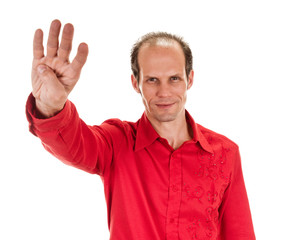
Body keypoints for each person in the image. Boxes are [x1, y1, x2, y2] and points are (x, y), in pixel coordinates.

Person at [26, 19, 256, 240]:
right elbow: (71, 143)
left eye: (174, 78)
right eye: (152, 80)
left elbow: (240, 234)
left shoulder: (225, 153)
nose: (164, 92)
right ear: (135, 83)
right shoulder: (115, 142)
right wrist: (50, 105)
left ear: (190, 79)